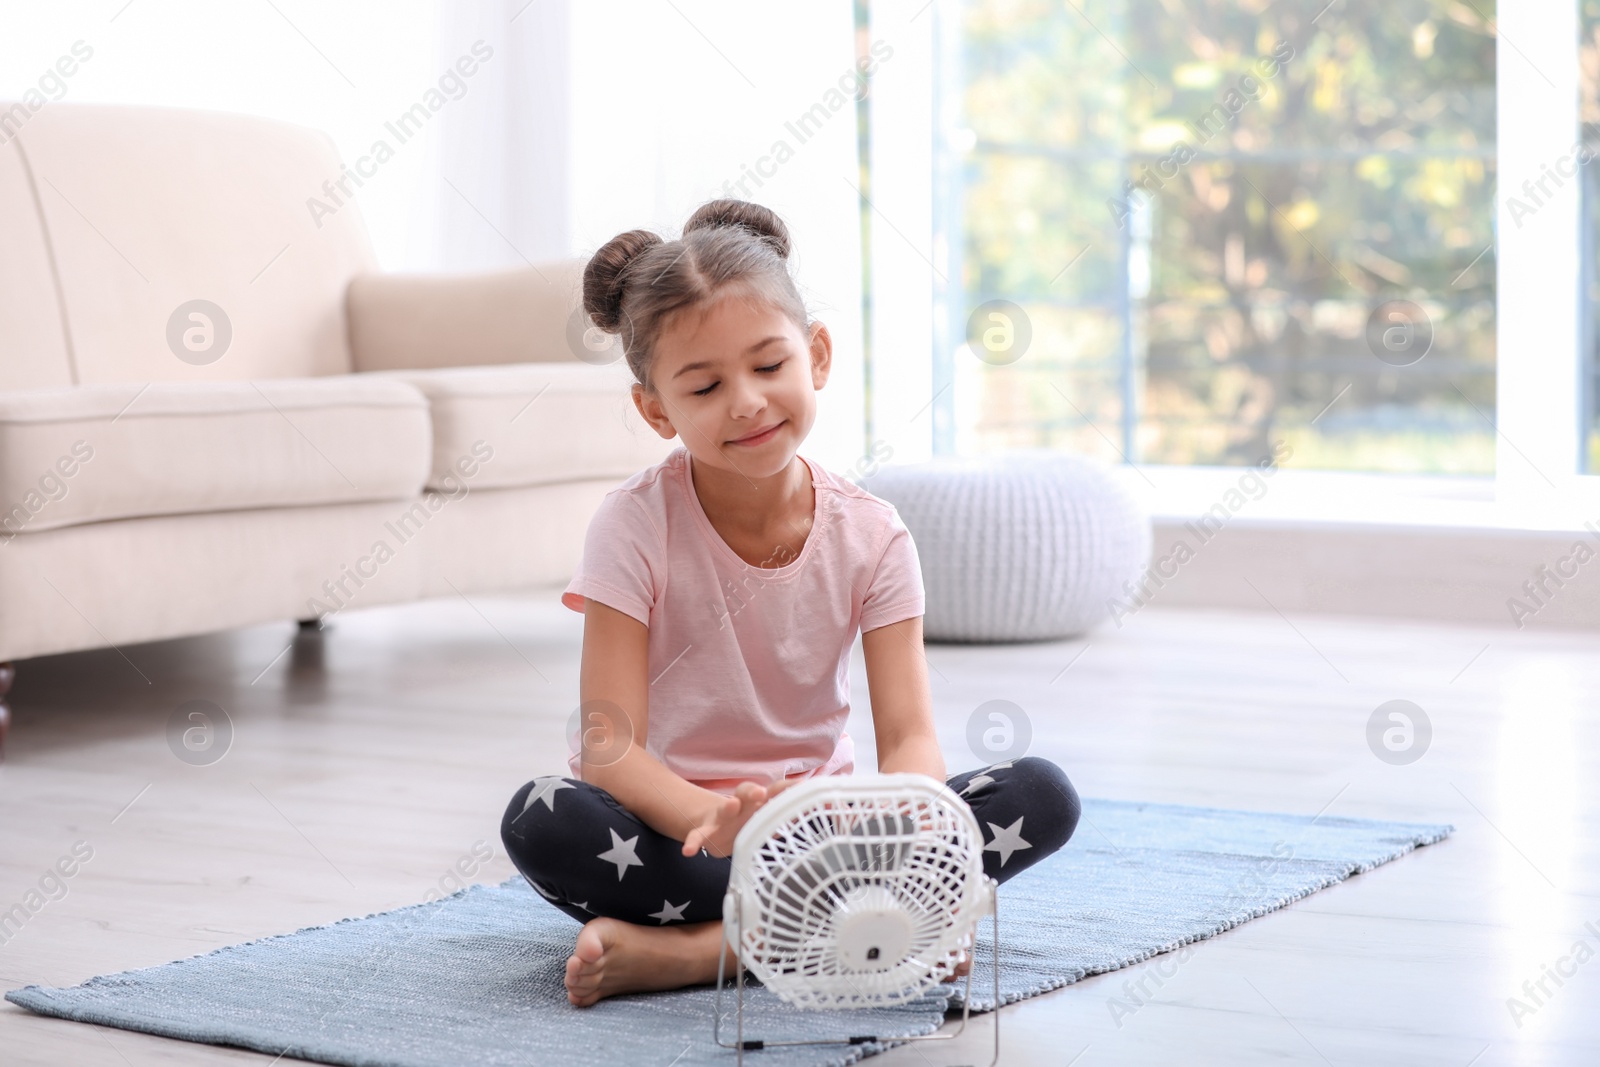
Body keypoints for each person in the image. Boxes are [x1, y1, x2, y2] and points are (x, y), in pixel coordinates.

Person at [500, 198, 1080, 1007]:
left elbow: (911, 734)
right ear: (656, 409)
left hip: (836, 834)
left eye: (769, 367)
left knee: (1040, 794)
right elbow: (608, 746)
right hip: (688, 840)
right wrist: (719, 819)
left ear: (816, 356)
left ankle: (704, 953)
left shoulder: (873, 536)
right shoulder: (631, 526)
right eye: (704, 385)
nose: (746, 400)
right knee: (542, 818)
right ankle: (874, 928)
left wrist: (899, 825)